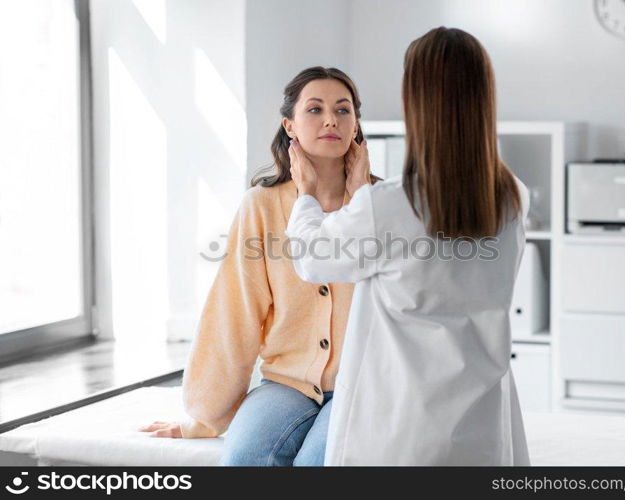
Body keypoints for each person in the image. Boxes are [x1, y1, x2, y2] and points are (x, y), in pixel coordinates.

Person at [285, 27, 531, 465]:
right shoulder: (512, 196)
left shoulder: (392, 205)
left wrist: (305, 195)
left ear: (416, 102)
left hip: (401, 430)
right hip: (482, 425)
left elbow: (311, 259)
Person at [137, 66, 380, 466]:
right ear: (290, 125)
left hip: (365, 383)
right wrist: (207, 416)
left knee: (318, 464)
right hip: (286, 383)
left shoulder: (382, 203)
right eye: (315, 110)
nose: (331, 120)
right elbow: (235, 308)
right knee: (244, 459)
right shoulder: (262, 204)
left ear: (356, 126)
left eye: (343, 110)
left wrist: (362, 198)